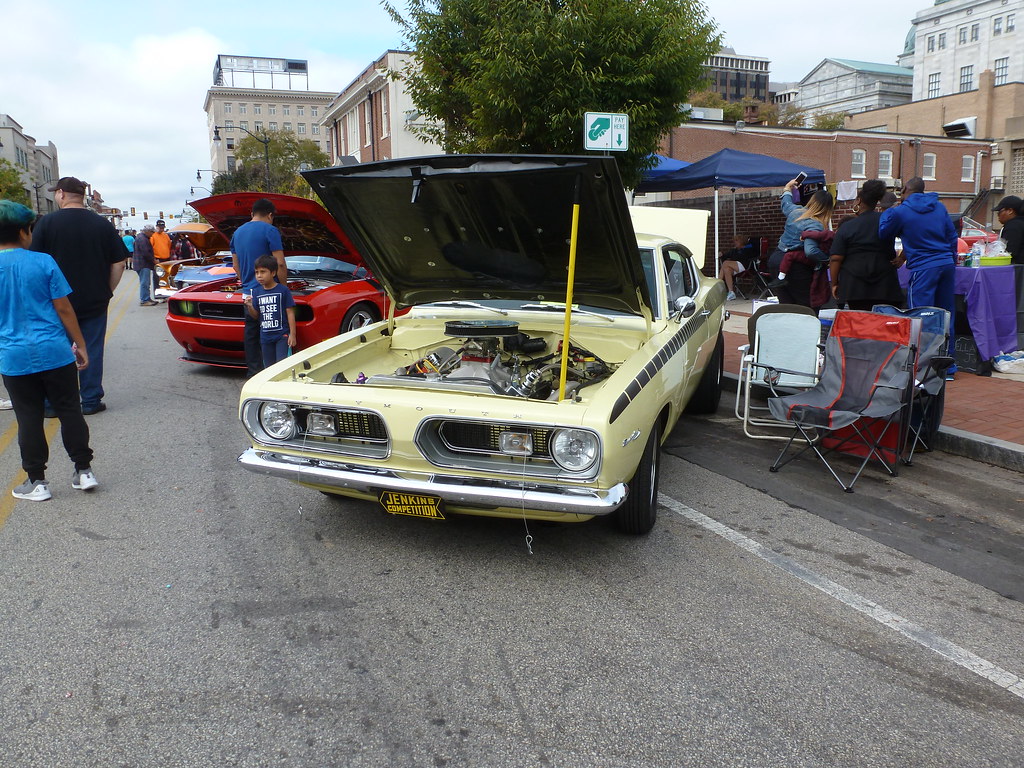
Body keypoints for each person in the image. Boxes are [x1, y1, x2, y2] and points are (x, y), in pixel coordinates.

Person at [0, 200, 98, 502]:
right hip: (54, 350)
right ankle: (84, 471)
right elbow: (64, 308)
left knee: (28, 416)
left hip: (14, 354)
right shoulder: (44, 262)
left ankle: (37, 481)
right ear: (23, 231)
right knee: (70, 409)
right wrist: (80, 345)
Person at [30, 176, 127, 415]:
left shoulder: (47, 223)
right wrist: (107, 290)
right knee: (92, 349)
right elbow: (119, 263)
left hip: (55, 302)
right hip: (94, 300)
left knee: (55, 349)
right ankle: (91, 400)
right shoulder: (102, 224)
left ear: (61, 193)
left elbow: (35, 262)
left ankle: (53, 403)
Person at [878, 176, 959, 377]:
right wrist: (952, 258)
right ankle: (948, 366)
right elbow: (952, 236)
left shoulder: (900, 211)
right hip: (946, 263)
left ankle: (922, 365)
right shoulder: (939, 207)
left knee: (920, 316)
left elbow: (883, 233)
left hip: (924, 267)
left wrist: (888, 210)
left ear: (905, 189)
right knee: (946, 314)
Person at [829, 179, 904, 311]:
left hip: (855, 285)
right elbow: (912, 236)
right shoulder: (886, 221)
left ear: (858, 200)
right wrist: (902, 257)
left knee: (860, 325)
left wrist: (835, 283)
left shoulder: (847, 226)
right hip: (886, 284)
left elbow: (836, 258)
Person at [230, 198, 286, 376]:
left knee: (252, 331)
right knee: (274, 331)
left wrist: (247, 282)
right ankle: (273, 372)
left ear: (251, 214)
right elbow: (281, 264)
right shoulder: (270, 230)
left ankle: (253, 372)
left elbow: (235, 266)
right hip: (269, 291)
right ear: (270, 215)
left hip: (248, 292)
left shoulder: (237, 233)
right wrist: (283, 288)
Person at [770, 187, 834, 309]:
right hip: (795, 265)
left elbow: (786, 204)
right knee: (806, 307)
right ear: (828, 209)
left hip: (776, 260)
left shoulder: (795, 211)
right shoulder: (815, 224)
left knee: (785, 306)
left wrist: (787, 188)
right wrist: (827, 259)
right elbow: (810, 251)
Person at [244, 254, 296, 367]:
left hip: (282, 336)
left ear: (273, 273)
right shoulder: (256, 292)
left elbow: (290, 312)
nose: (259, 276)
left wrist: (293, 334)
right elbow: (256, 315)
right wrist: (249, 306)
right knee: (268, 368)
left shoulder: (283, 290)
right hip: (265, 337)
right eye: (257, 272)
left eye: (263, 272)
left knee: (282, 366)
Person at [718, 234, 755, 300]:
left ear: (742, 241)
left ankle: (717, 284)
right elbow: (726, 256)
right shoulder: (734, 250)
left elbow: (743, 258)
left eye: (737, 240)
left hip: (745, 266)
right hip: (736, 267)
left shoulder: (748, 248)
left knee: (725, 263)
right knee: (727, 269)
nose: (735, 242)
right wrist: (722, 254)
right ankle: (731, 292)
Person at [995, 195, 1024, 264]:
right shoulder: (1020, 223)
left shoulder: (1013, 226)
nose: (998, 215)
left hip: (1018, 270)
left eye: (999, 211)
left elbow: (1009, 252)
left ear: (1010, 211)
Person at [133, 224, 158, 306]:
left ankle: (147, 298)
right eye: (152, 232)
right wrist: (153, 261)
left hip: (141, 264)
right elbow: (146, 253)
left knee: (146, 282)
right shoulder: (143, 239)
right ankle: (144, 300)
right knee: (145, 282)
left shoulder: (141, 237)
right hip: (143, 264)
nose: (152, 234)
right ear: (147, 231)